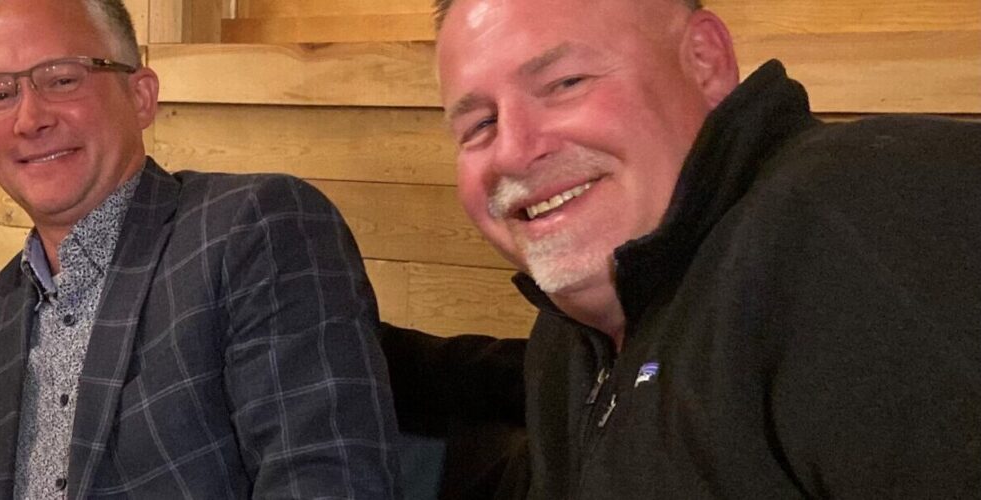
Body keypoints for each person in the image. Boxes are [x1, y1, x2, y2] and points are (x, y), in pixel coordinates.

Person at [386, 0, 981, 496]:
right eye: (479, 126)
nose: (514, 152)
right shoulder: (569, 342)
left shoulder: (861, 213)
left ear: (705, 62)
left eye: (566, 84)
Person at [0, 0, 402, 497]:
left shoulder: (253, 229)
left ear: (141, 96)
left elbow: (327, 479)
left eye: (62, 79)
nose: (29, 118)